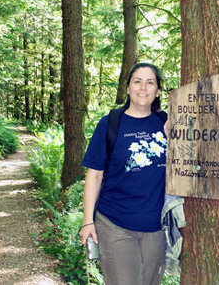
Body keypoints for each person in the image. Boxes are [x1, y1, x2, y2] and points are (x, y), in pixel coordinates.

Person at [79, 63, 167, 285]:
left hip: (156, 228)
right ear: (128, 88)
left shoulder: (166, 124)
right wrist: (87, 221)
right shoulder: (110, 123)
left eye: (150, 83)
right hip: (116, 223)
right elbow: (94, 175)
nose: (143, 88)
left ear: (157, 91)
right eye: (137, 81)